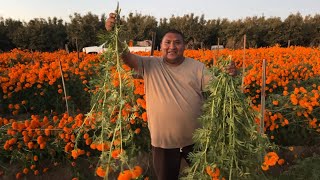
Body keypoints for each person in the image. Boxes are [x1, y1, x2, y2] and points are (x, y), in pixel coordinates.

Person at [105, 12, 237, 180]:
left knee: (203, 177)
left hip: (197, 141)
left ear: (184, 46)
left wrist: (229, 76)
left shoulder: (198, 68)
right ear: (161, 46)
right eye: (168, 42)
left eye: (177, 43)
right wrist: (114, 34)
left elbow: (218, 88)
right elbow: (125, 56)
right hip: (163, 143)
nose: (172, 47)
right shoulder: (149, 65)